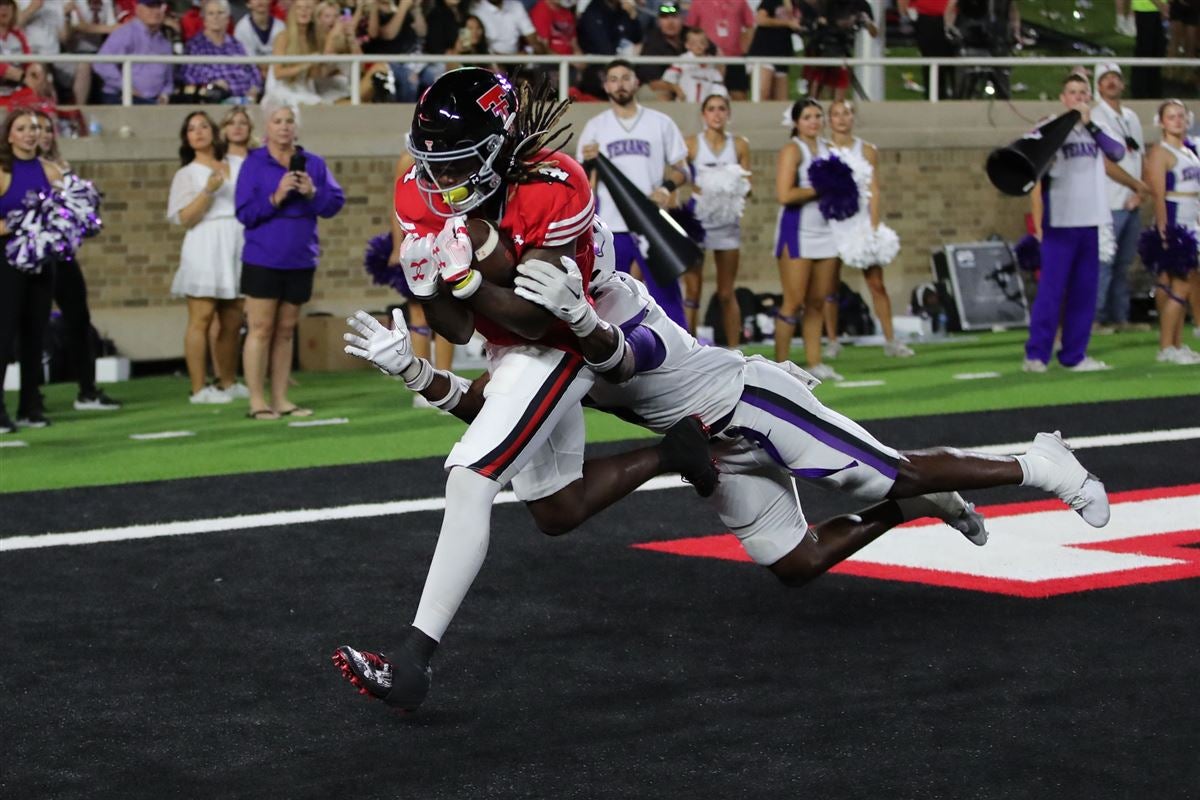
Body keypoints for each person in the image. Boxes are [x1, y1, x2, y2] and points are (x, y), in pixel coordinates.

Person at [335, 216, 1112, 711]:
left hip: (743, 402)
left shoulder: (615, 304)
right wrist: (415, 374)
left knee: (893, 467)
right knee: (795, 562)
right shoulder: (540, 338)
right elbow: (503, 420)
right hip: (709, 440)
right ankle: (909, 506)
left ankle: (1038, 464)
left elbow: (627, 353)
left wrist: (576, 315)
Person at [331, 68, 720, 711]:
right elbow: (459, 328)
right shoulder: (420, 190)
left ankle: (411, 663)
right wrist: (430, 293)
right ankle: (674, 453)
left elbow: (539, 318)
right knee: (556, 511)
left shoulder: (554, 183)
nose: (437, 180)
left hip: (571, 331)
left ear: (499, 144)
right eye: (431, 162)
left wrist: (460, 285)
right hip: (506, 342)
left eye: (454, 162)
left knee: (471, 477)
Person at [1024, 74, 1141, 374]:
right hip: (1061, 221)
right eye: (1072, 93)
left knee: (1084, 293)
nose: (1077, 97)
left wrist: (1088, 124)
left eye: (1082, 93)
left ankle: (1074, 354)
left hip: (1090, 220)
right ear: (1063, 98)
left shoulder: (1095, 129)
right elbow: (1034, 165)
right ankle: (1036, 354)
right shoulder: (1050, 125)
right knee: (1052, 291)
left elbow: (1117, 152)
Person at [234, 102, 344, 419]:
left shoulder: (314, 164)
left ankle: (281, 398)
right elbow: (245, 213)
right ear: (266, 128)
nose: (284, 126)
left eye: (289, 121)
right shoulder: (254, 163)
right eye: (277, 121)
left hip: (300, 258)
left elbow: (333, 205)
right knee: (260, 328)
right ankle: (257, 401)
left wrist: (312, 192)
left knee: (285, 330)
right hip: (262, 257)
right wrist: (276, 197)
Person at [576, 59, 690, 327]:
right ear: (606, 86)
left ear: (636, 82)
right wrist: (588, 162)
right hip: (612, 226)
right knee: (611, 299)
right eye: (613, 79)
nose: (620, 84)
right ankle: (617, 358)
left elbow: (682, 169)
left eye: (626, 78)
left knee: (667, 294)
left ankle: (684, 355)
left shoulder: (660, 122)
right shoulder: (596, 126)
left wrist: (666, 189)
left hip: (651, 222)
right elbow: (581, 178)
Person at [34, 110, 121, 412]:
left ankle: (87, 390)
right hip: (29, 256)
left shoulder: (62, 169)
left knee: (79, 318)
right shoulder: (13, 170)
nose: (43, 135)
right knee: (28, 325)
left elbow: (81, 216)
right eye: (36, 129)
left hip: (61, 255)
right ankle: (31, 396)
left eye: (47, 129)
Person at [822, 99, 913, 359]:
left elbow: (874, 189)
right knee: (829, 287)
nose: (841, 119)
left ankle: (890, 339)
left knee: (876, 283)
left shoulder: (868, 149)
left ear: (853, 118)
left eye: (847, 113)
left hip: (861, 222)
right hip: (832, 223)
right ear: (829, 120)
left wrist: (872, 224)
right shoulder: (822, 149)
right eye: (836, 114)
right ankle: (832, 340)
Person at [169, 111, 247, 405]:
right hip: (204, 243)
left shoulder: (237, 164)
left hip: (236, 242)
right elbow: (185, 218)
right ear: (186, 139)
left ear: (215, 132)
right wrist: (208, 191)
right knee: (201, 318)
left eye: (204, 126)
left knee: (232, 318)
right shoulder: (186, 174)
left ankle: (227, 381)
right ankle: (199, 388)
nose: (198, 132)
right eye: (191, 129)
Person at [0, 107, 63, 432]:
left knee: (34, 334)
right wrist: (19, 225)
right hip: (6, 261)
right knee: (3, 333)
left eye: (35, 128)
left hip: (42, 261)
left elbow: (66, 218)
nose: (30, 133)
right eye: (22, 128)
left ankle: (30, 405)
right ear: (9, 135)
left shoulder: (52, 171)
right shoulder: (2, 171)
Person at [775, 98, 841, 382]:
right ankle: (778, 368)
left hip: (827, 231)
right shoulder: (793, 149)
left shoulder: (830, 149)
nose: (813, 121)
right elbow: (785, 194)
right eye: (807, 117)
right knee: (793, 302)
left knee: (817, 301)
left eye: (817, 116)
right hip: (797, 232)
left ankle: (815, 362)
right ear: (796, 122)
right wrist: (821, 188)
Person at [685, 93, 750, 343]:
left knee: (726, 292)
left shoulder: (740, 145)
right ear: (703, 115)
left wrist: (731, 185)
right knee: (693, 291)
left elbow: (748, 186)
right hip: (698, 222)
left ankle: (735, 349)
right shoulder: (691, 144)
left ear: (728, 114)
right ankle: (689, 348)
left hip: (727, 225)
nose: (717, 114)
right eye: (711, 109)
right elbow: (678, 175)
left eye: (722, 109)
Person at [1144, 99, 1200, 365]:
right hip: (1175, 224)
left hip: (1192, 223)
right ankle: (1166, 347)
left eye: (1181, 116)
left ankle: (1175, 344)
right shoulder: (1160, 152)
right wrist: (1165, 233)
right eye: (1171, 116)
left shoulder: (1189, 152)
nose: (1177, 120)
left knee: (1180, 286)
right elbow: (1158, 196)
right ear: (1162, 122)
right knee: (1181, 286)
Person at [1090, 64, 1145, 333]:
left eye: (1116, 78)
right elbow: (1105, 162)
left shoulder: (1131, 117)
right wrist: (1135, 185)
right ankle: (1096, 318)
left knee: (1123, 264)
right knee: (1104, 263)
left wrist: (1138, 191)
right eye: (1105, 79)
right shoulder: (1096, 116)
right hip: (1109, 201)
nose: (1111, 82)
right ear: (1098, 86)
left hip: (1132, 200)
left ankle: (1120, 317)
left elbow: (1139, 155)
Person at [181, 0, 263, 103]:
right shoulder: (195, 46)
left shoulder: (237, 45)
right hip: (214, 99)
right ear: (204, 20)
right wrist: (211, 83)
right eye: (211, 13)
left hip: (245, 99)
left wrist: (255, 87)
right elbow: (188, 76)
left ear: (227, 19)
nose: (216, 17)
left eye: (220, 13)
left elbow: (253, 71)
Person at [92, 0, 174, 105]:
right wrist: (126, 87)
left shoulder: (164, 42)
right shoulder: (125, 33)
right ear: (138, 9)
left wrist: (165, 94)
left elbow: (169, 77)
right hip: (121, 97)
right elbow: (101, 64)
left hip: (155, 101)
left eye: (158, 7)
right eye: (150, 7)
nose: (156, 11)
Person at [686, 0, 755, 101]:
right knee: (708, 96)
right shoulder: (698, 2)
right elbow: (691, 28)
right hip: (708, 59)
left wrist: (745, 48)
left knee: (739, 96)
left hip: (734, 58)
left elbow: (750, 25)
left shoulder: (740, 2)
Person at [575, 0, 641, 99]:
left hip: (621, 64)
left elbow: (637, 38)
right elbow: (604, 49)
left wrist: (633, 16)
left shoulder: (623, 11)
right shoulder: (592, 12)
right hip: (595, 68)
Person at [262, 0, 323, 106]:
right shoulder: (283, 37)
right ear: (293, 12)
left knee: (320, 104)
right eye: (299, 8)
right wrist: (305, 65)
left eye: (308, 8)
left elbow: (314, 75)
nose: (304, 11)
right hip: (282, 88)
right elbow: (278, 73)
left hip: (302, 87)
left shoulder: (313, 40)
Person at [63, 0, 119, 105]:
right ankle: (79, 110)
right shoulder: (73, 1)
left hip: (99, 51)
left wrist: (90, 28)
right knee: (85, 65)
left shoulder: (107, 2)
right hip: (74, 52)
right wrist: (108, 28)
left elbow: (114, 28)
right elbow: (77, 26)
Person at [746, 0, 803, 101]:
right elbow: (760, 19)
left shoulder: (797, 5)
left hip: (782, 53)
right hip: (763, 51)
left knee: (781, 100)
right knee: (762, 94)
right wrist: (787, 23)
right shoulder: (771, 1)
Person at [898, 0, 954, 99]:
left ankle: (951, 95)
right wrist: (905, 16)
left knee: (952, 63)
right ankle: (934, 97)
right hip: (927, 19)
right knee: (932, 61)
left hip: (951, 17)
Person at [660, 26, 727, 103]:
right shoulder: (682, 60)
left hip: (706, 102)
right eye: (693, 43)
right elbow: (669, 77)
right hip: (685, 101)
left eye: (702, 42)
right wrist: (679, 91)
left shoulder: (712, 62)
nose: (698, 46)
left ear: (707, 44)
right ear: (687, 45)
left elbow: (718, 82)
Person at [637, 3, 684, 102]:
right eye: (665, 17)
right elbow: (654, 82)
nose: (670, 22)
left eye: (674, 17)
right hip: (661, 87)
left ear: (682, 19)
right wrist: (676, 88)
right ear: (658, 22)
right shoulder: (652, 42)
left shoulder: (690, 35)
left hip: (691, 83)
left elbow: (715, 53)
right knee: (662, 96)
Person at [469, 0, 541, 56]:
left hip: (518, 61)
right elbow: (477, 47)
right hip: (490, 62)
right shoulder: (476, 10)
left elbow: (532, 38)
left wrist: (534, 50)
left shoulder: (516, 6)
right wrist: (514, 58)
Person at [1131, 0, 1167, 99]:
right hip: (1146, 8)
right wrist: (1160, 5)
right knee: (1145, 51)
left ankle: (1153, 90)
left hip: (1156, 9)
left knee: (1157, 51)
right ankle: (1140, 91)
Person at [234, 0, 284, 70]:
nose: (260, 1)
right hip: (250, 75)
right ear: (248, 4)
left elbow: (282, 61)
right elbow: (246, 63)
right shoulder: (241, 28)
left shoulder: (281, 27)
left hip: (276, 74)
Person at [0, 0, 29, 101]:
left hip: (18, 89)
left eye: (8, 4)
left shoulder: (19, 36)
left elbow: (29, 63)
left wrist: (36, 72)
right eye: (0, 4)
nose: (4, 9)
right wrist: (23, 77)